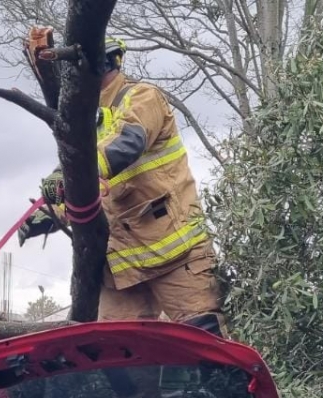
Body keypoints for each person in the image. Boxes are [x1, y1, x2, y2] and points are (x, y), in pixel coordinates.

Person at [19, 36, 226, 338]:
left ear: (105, 64)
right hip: (121, 269)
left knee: (206, 347)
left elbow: (128, 143)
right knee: (119, 362)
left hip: (177, 258)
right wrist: (51, 212)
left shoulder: (142, 98)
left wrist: (75, 174)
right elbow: (81, 193)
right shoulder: (83, 121)